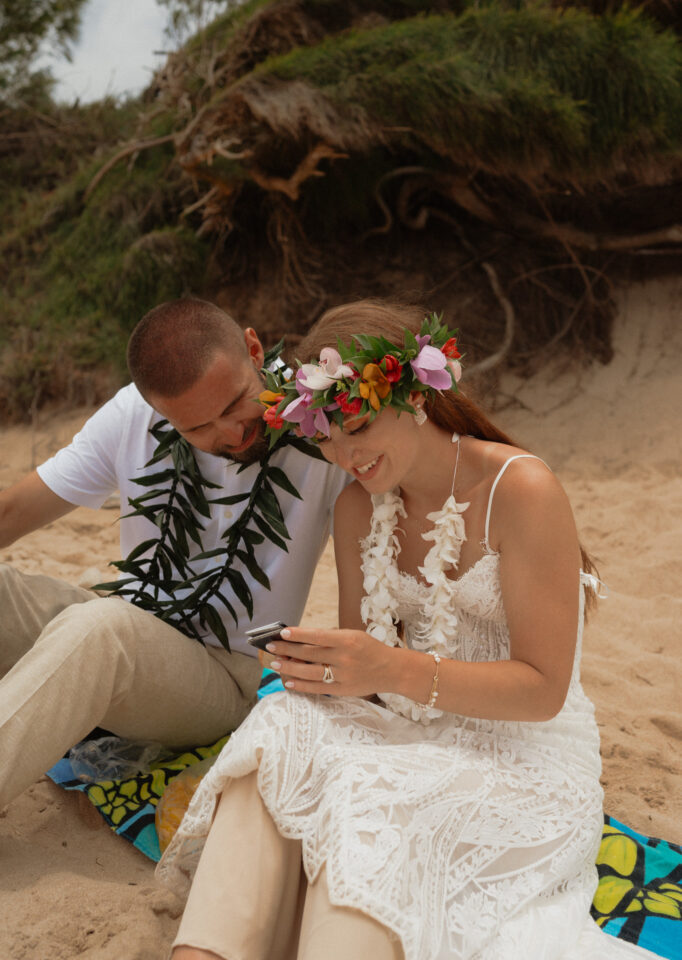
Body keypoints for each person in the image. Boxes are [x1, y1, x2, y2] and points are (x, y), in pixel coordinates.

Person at [157, 300, 657, 960]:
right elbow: (366, 675)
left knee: (372, 797)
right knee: (278, 727)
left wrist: (386, 669)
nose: (345, 455)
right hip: (405, 722)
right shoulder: (358, 507)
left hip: (520, 753)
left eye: (357, 426)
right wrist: (325, 669)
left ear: (416, 395)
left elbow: (543, 692)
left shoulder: (522, 488)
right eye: (326, 438)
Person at [0, 298, 349, 810]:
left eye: (234, 405)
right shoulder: (130, 416)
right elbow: (10, 512)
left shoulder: (321, 427)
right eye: (198, 428)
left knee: (101, 628)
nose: (230, 433)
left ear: (255, 350)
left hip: (224, 678)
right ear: (160, 412)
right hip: (132, 632)